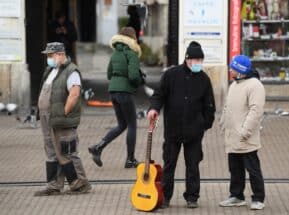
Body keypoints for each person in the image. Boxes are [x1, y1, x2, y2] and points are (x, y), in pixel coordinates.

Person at [147, 41, 216, 209]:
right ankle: (165, 197)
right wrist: (154, 109)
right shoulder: (171, 75)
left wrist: (204, 124)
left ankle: (192, 197)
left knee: (193, 165)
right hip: (173, 130)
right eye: (196, 59)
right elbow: (159, 95)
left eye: (201, 59)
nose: (198, 63)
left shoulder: (204, 79)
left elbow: (210, 105)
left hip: (194, 131)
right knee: (169, 164)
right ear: (187, 59)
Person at [34, 42, 91, 196]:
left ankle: (80, 184)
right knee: (51, 151)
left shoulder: (71, 71)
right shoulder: (51, 70)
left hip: (61, 118)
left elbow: (74, 94)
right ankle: (53, 186)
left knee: (67, 151)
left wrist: (64, 113)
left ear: (60, 54)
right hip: (48, 117)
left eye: (50, 55)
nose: (48, 58)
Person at [88, 27, 142, 168]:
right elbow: (134, 76)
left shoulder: (115, 54)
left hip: (113, 91)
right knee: (131, 125)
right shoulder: (132, 54)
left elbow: (109, 74)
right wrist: (139, 81)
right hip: (125, 92)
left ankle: (98, 147)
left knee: (122, 124)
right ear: (132, 38)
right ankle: (130, 160)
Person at [219, 55, 266, 210]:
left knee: (253, 169)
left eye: (233, 68)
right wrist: (223, 122)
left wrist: (245, 131)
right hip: (233, 136)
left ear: (240, 70)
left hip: (246, 137)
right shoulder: (235, 84)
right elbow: (228, 106)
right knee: (235, 169)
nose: (230, 70)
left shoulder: (255, 85)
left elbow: (256, 111)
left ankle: (258, 198)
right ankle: (236, 196)